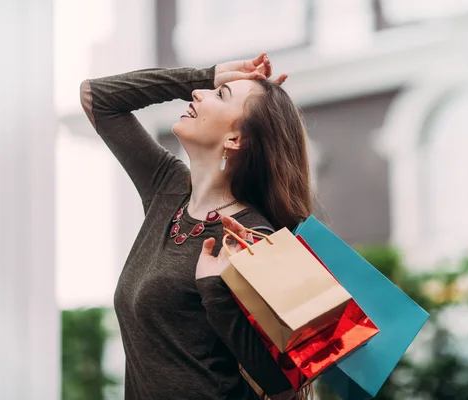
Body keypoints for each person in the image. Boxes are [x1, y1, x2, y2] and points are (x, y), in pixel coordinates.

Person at [80, 53, 312, 400]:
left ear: (236, 139)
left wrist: (215, 292)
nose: (200, 94)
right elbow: (97, 98)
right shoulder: (167, 189)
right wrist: (207, 75)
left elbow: (284, 383)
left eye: (220, 95)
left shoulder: (253, 237)